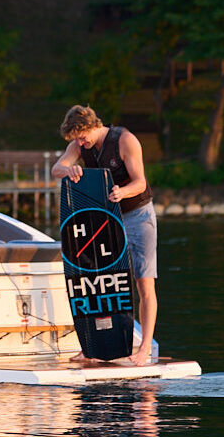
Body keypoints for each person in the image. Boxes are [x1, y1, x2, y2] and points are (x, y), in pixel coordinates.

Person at [51, 105, 158, 365]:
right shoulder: (80, 145)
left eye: (82, 136)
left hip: (137, 214)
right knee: (98, 280)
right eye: (76, 139)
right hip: (106, 218)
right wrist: (70, 170)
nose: (80, 143)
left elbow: (140, 182)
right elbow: (57, 169)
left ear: (93, 125)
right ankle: (95, 347)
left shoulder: (125, 140)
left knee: (143, 282)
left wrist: (123, 191)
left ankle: (144, 347)